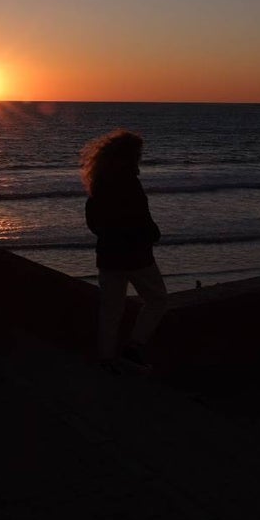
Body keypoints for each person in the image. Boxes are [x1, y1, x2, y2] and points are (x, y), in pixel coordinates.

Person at [81, 129, 168, 373]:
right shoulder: (129, 181)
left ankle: (106, 358)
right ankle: (134, 345)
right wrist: (152, 234)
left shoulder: (99, 182)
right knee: (158, 299)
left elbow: (94, 222)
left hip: (108, 255)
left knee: (111, 309)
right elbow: (140, 218)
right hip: (135, 255)